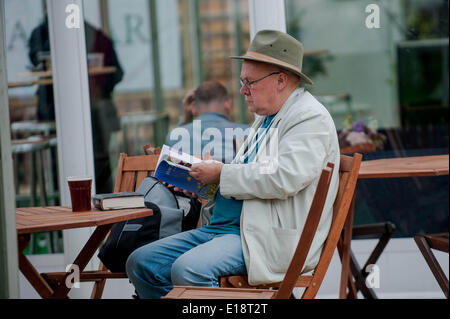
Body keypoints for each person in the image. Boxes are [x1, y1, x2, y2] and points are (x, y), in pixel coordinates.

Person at [126, 30, 340, 299]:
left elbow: (283, 177)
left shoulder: (309, 118)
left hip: (261, 238)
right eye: (242, 81)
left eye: (250, 81)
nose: (242, 90)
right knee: (141, 263)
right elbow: (254, 174)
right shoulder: (267, 117)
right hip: (228, 229)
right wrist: (204, 180)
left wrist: (221, 172)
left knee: (189, 269)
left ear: (281, 80)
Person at [28, 18, 124, 194]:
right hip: (66, 116)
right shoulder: (94, 36)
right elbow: (117, 74)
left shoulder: (45, 34)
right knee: (86, 168)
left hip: (77, 116)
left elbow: (116, 73)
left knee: (66, 167)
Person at [165, 81, 249, 163]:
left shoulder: (174, 136)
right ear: (227, 104)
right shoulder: (247, 133)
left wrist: (186, 117)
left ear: (193, 108)